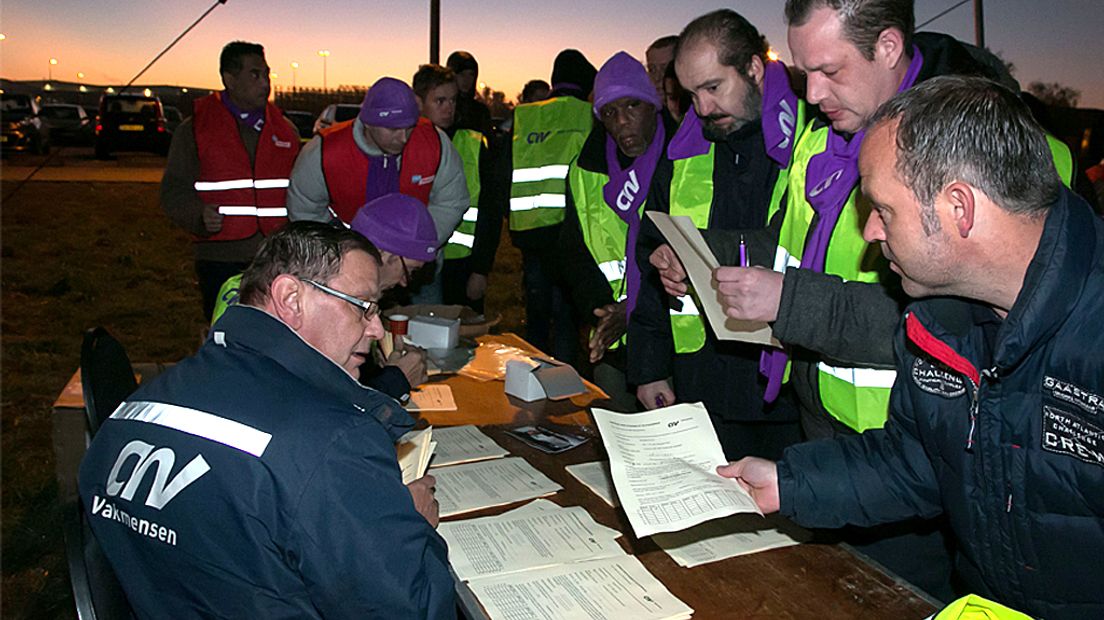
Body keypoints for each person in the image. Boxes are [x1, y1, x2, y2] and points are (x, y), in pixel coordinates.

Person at [722, 75, 1104, 620]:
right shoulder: (938, 318)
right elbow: (920, 458)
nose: (870, 230)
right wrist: (789, 483)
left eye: (882, 208)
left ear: (958, 208)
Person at [78, 221, 454, 618]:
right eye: (363, 306)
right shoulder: (333, 441)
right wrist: (410, 528)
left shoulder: (137, 407)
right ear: (291, 298)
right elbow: (413, 609)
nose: (377, 329)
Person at [627, 10, 805, 459]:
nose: (703, 109)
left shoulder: (811, 135)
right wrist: (649, 368)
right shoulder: (683, 149)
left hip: (788, 399)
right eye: (691, 94)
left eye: (713, 88)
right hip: (700, 385)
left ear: (753, 68)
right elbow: (650, 255)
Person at [208, 193, 435, 400]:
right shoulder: (250, 291)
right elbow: (301, 403)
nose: (405, 283)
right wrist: (395, 381)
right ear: (386, 254)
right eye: (410, 271)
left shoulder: (350, 301)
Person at [552, 51, 672, 412]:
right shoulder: (584, 169)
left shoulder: (684, 161)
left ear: (654, 105)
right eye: (609, 112)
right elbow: (572, 252)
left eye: (633, 106)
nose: (622, 121)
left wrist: (633, 311)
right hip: (609, 341)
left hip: (672, 343)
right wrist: (602, 313)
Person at [161, 41, 300, 321]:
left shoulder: (286, 130)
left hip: (276, 258)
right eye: (254, 75)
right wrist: (198, 215)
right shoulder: (194, 130)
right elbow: (173, 191)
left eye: (266, 74)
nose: (265, 83)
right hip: (220, 259)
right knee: (225, 336)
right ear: (229, 79)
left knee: (276, 336)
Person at [286, 76, 468, 266]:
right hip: (348, 268)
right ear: (368, 123)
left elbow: (451, 201)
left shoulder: (434, 143)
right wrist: (342, 256)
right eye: (393, 129)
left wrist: (416, 248)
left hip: (416, 266)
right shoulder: (324, 151)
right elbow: (305, 212)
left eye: (409, 128)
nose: (403, 138)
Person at [508, 49, 596, 364]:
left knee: (537, 313)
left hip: (530, 231)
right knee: (566, 317)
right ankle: (563, 387)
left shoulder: (526, 114)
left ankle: (530, 381)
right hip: (571, 232)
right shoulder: (590, 114)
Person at [413, 64, 502, 313]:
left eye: (452, 100)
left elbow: (490, 210)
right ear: (419, 102)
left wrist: (480, 270)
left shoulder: (474, 143)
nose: (449, 108)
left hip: (462, 267)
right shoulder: (404, 143)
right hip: (416, 265)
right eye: (439, 100)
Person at [446, 50, 493, 135]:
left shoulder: (481, 112)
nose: (466, 80)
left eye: (471, 75)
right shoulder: (444, 108)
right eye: (462, 74)